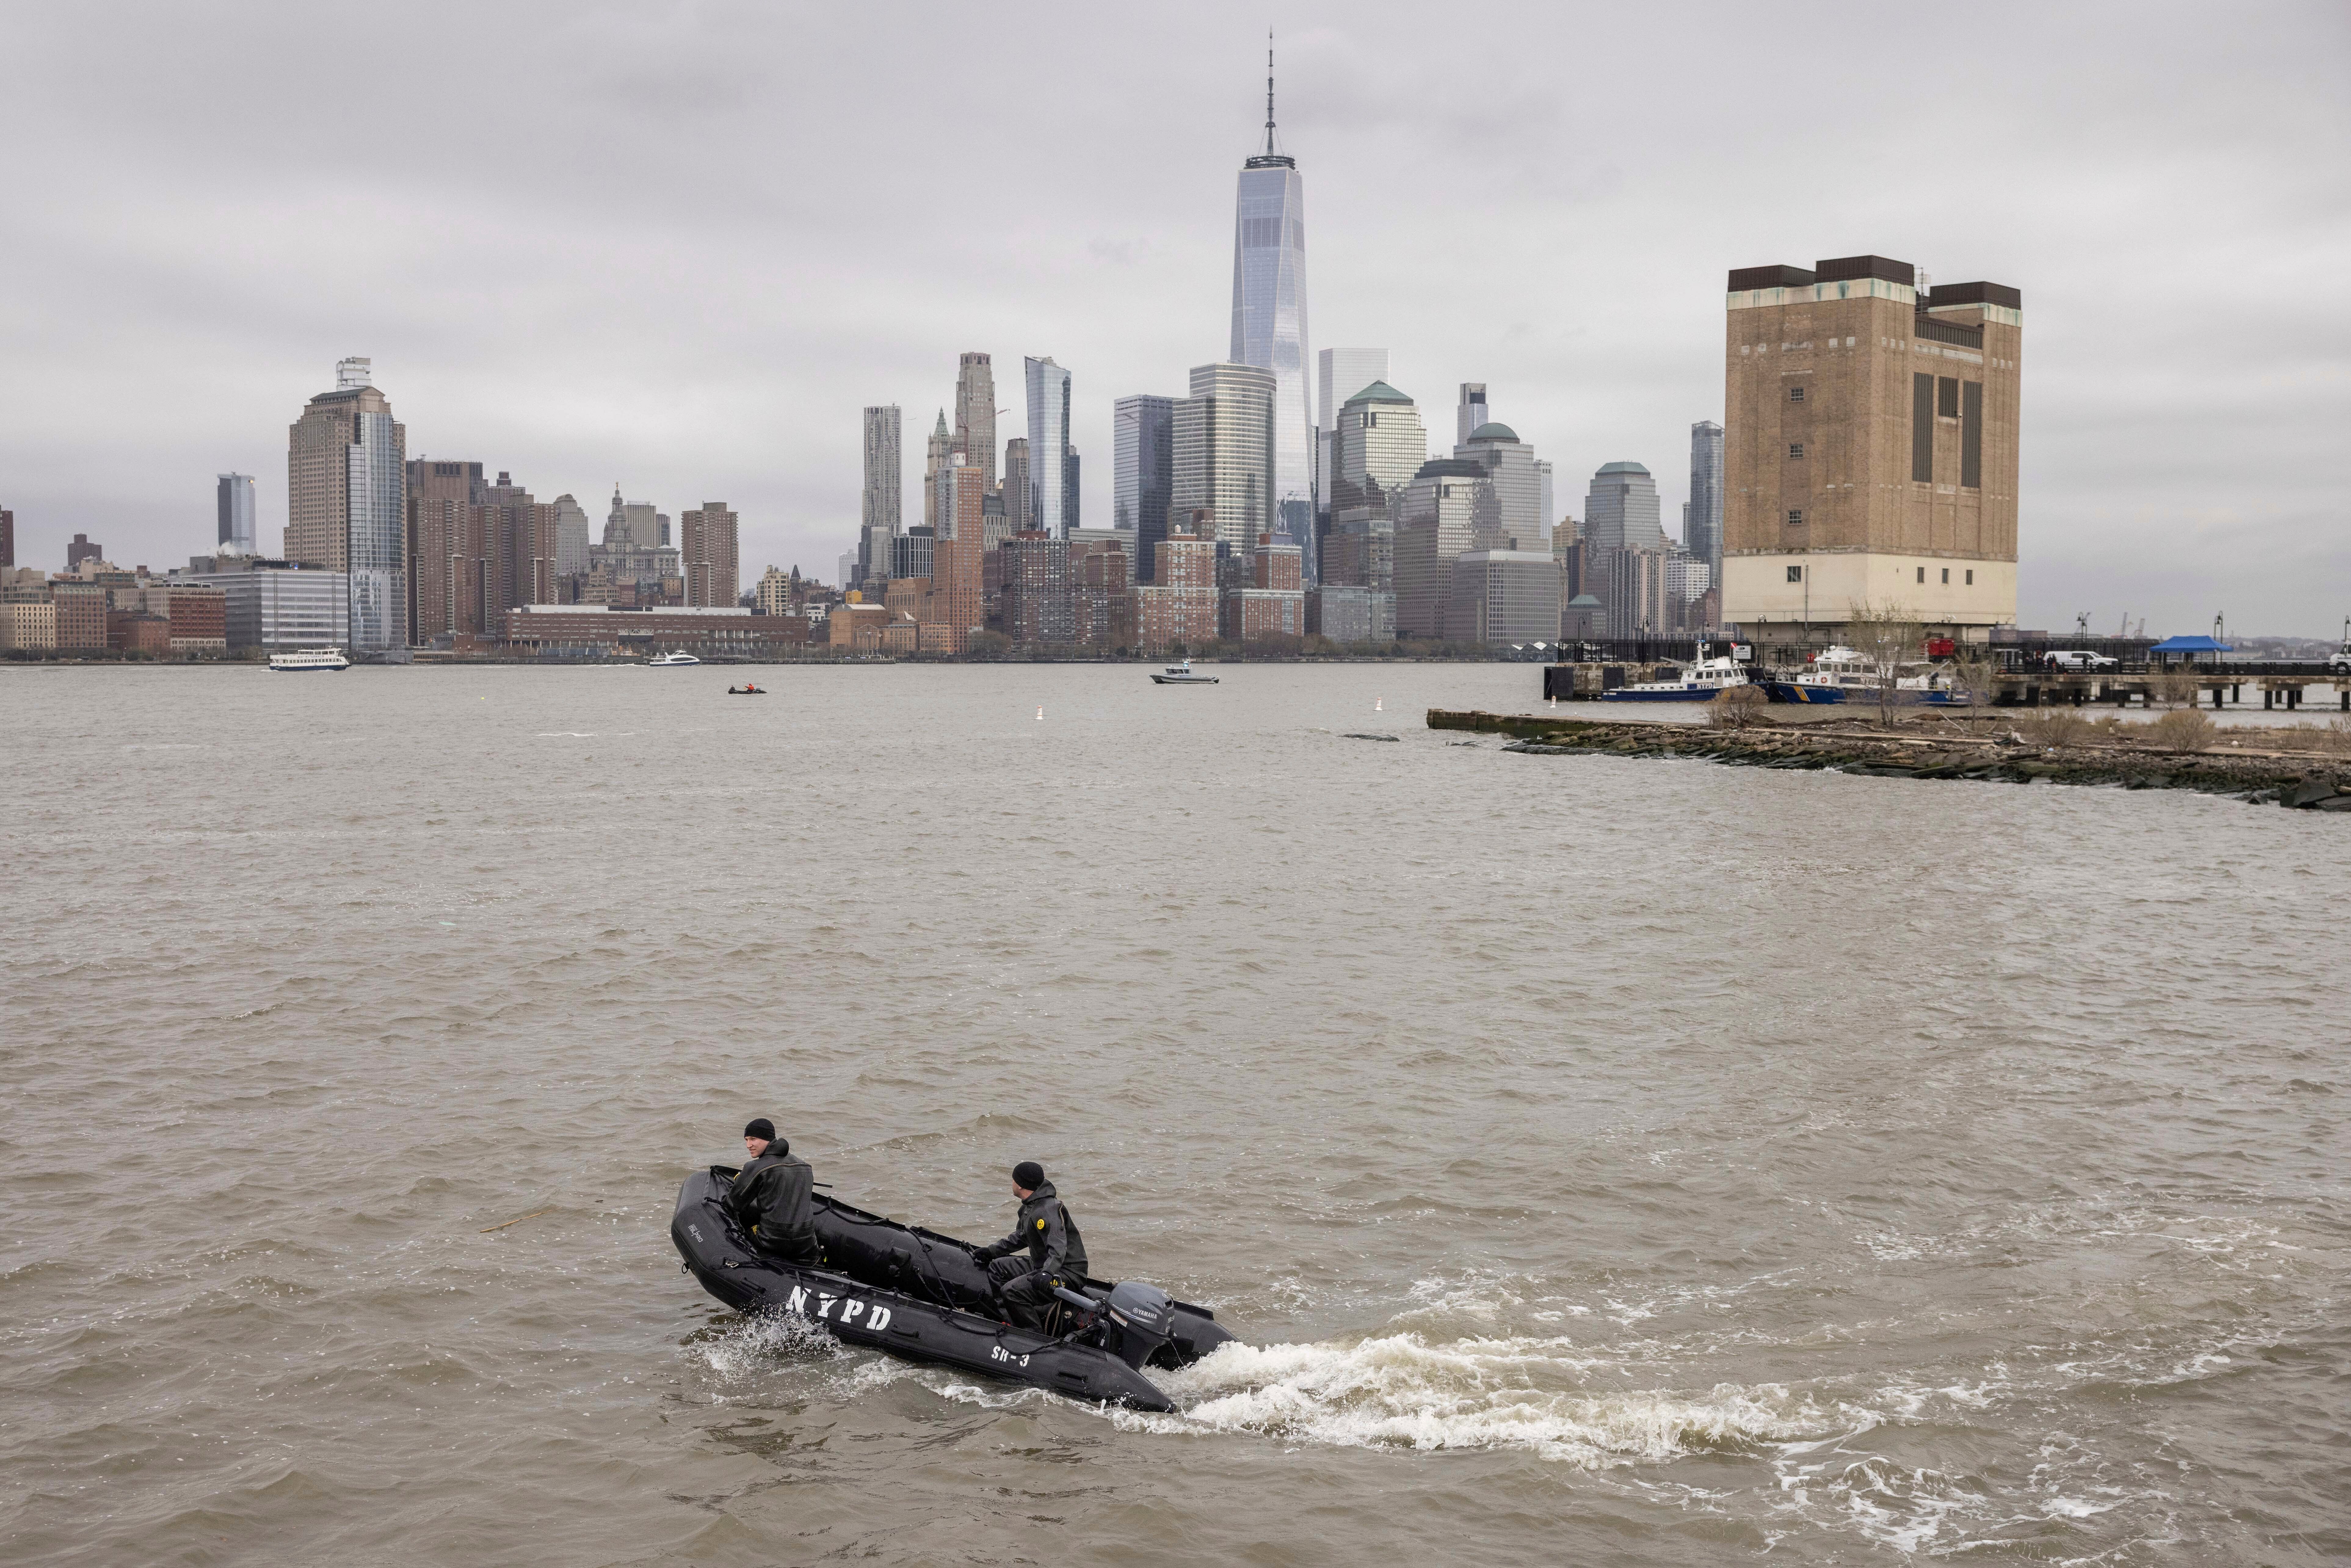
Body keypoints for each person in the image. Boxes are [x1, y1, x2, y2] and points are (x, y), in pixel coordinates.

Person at [969, 1161, 1088, 1330]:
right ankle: (1012, 1322)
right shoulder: (1031, 1207)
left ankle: (1032, 1334)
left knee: (1012, 1291)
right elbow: (1021, 1238)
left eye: (1013, 1179)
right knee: (997, 1269)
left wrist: (1048, 1273)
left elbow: (1058, 1247)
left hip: (1066, 1272)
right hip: (1042, 1265)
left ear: (1020, 1185)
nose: (1012, 1183)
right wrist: (992, 1251)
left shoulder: (1049, 1210)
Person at [727, 1118, 819, 1265]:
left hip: (772, 1242)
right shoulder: (805, 1166)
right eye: (746, 1140)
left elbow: (734, 1204)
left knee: (740, 1224)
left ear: (767, 1139)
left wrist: (740, 1180)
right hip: (807, 1244)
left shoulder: (756, 1167)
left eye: (753, 1139)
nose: (749, 1145)